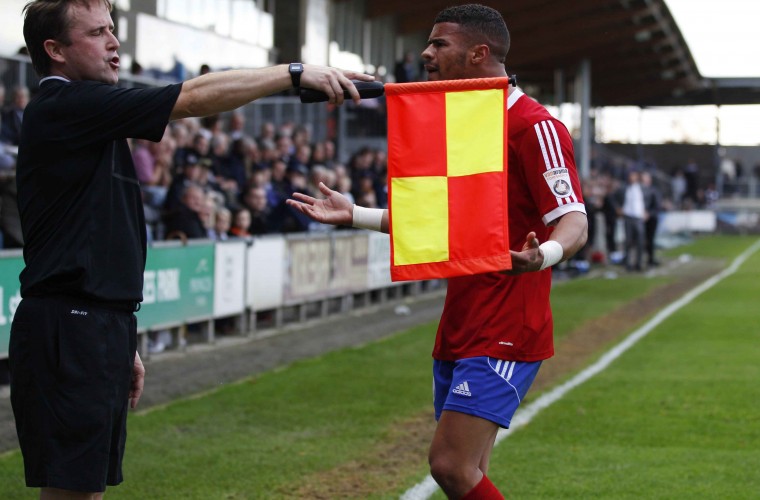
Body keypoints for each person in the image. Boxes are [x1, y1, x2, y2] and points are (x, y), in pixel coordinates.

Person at [9, 1, 373, 498]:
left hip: (93, 324)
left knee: (83, 490)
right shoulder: (64, 105)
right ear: (54, 50)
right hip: (72, 327)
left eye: (113, 29)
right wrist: (292, 73)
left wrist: (120, 333)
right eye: (97, 33)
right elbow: (193, 98)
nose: (115, 43)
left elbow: (95, 236)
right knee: (73, 492)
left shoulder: (88, 113)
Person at [287, 5, 587, 498]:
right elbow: (447, 226)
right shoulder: (463, 121)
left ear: (479, 53)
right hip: (462, 318)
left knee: (450, 465)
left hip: (509, 322)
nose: (425, 53)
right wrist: (359, 214)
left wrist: (545, 254)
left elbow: (574, 217)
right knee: (467, 472)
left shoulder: (535, 125)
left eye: (438, 44)